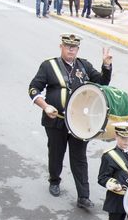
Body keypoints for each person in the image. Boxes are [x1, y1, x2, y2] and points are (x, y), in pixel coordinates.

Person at [28, 33, 113, 208]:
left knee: (79, 158)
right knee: (56, 153)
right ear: (61, 47)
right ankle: (54, 180)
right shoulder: (49, 66)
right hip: (56, 120)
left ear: (78, 49)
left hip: (79, 123)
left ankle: (83, 196)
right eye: (67, 46)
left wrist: (106, 64)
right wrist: (45, 106)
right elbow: (33, 89)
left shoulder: (84, 65)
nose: (71, 49)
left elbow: (102, 83)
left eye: (74, 47)